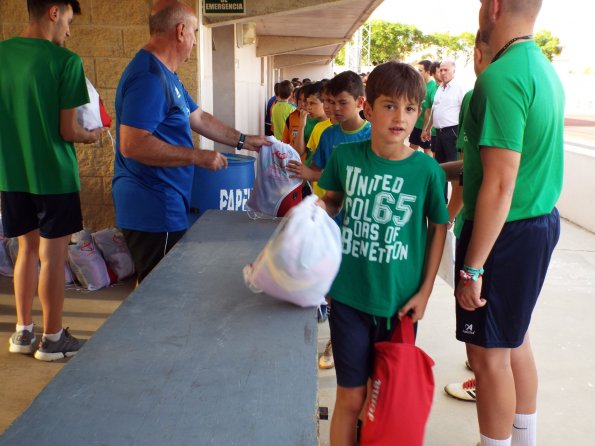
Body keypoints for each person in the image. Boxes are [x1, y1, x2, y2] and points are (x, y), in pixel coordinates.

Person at [316, 61, 448, 445]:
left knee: (387, 395)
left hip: (400, 305)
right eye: (389, 105)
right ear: (368, 107)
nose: (400, 117)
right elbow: (332, 203)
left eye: (410, 109)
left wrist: (424, 293)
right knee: (352, 396)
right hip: (349, 298)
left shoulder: (427, 171)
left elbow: (439, 226)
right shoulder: (345, 158)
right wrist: (313, 216)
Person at [455, 1, 564, 445]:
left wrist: (472, 267)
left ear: (493, 7)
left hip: (504, 233)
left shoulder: (500, 78)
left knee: (486, 358)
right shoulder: (542, 69)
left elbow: (499, 185)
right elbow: (486, 166)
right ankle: (524, 438)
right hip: (536, 224)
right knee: (514, 340)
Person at [112, 0, 268, 284]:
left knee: (157, 291)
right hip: (154, 205)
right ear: (181, 31)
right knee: (160, 295)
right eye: (195, 32)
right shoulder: (148, 77)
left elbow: (200, 119)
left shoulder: (167, 76)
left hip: (166, 202)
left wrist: (244, 140)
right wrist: (197, 156)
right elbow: (132, 144)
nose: (196, 42)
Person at [0, 0, 102, 361]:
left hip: (12, 175)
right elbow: (67, 130)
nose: (69, 31)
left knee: (25, 251)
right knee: (53, 258)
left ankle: (23, 332)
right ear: (54, 12)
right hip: (54, 177)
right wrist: (91, 136)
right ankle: (54, 338)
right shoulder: (66, 62)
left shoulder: (2, 54)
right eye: (69, 21)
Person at [442, 32, 494, 404]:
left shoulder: (482, 95)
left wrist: (446, 219)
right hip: (524, 225)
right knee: (512, 339)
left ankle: (481, 378)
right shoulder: (542, 81)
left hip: (487, 230)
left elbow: (473, 175)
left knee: (484, 345)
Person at [422, 60, 465, 165]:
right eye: (441, 70)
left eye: (446, 70)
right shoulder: (440, 87)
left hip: (452, 131)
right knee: (439, 164)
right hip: (438, 132)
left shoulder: (459, 88)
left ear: (453, 71)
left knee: (453, 164)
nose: (443, 73)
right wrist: (428, 128)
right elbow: (434, 109)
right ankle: (441, 182)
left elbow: (465, 111)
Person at [409, 60, 438, 157]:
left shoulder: (433, 87)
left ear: (428, 72)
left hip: (427, 128)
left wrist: (426, 129)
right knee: (411, 149)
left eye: (420, 70)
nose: (418, 72)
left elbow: (430, 110)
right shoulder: (419, 85)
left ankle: (428, 171)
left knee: (427, 151)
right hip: (417, 124)